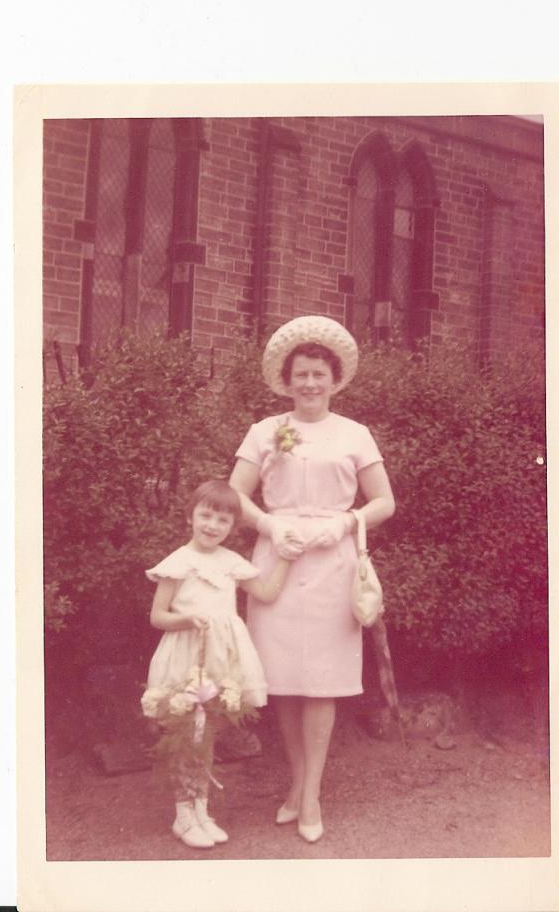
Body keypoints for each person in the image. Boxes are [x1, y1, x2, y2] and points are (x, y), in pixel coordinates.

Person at [229, 315, 395, 843]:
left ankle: (311, 796)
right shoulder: (264, 431)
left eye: (318, 374)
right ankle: (297, 785)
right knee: (284, 680)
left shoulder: (354, 434)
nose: (309, 384)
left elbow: (384, 502)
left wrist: (345, 523)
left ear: (333, 378)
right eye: (300, 374)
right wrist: (270, 524)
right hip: (276, 560)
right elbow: (232, 495)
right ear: (287, 377)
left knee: (321, 681)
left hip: (332, 562)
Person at [141, 479, 291, 850]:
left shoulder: (231, 563)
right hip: (187, 654)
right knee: (183, 734)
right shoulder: (179, 563)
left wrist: (287, 557)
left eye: (222, 520)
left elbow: (268, 594)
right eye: (205, 516)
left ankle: (202, 810)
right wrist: (186, 619)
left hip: (221, 657)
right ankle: (183, 815)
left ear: (232, 526)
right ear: (190, 516)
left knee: (208, 733)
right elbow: (158, 616)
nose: (212, 525)